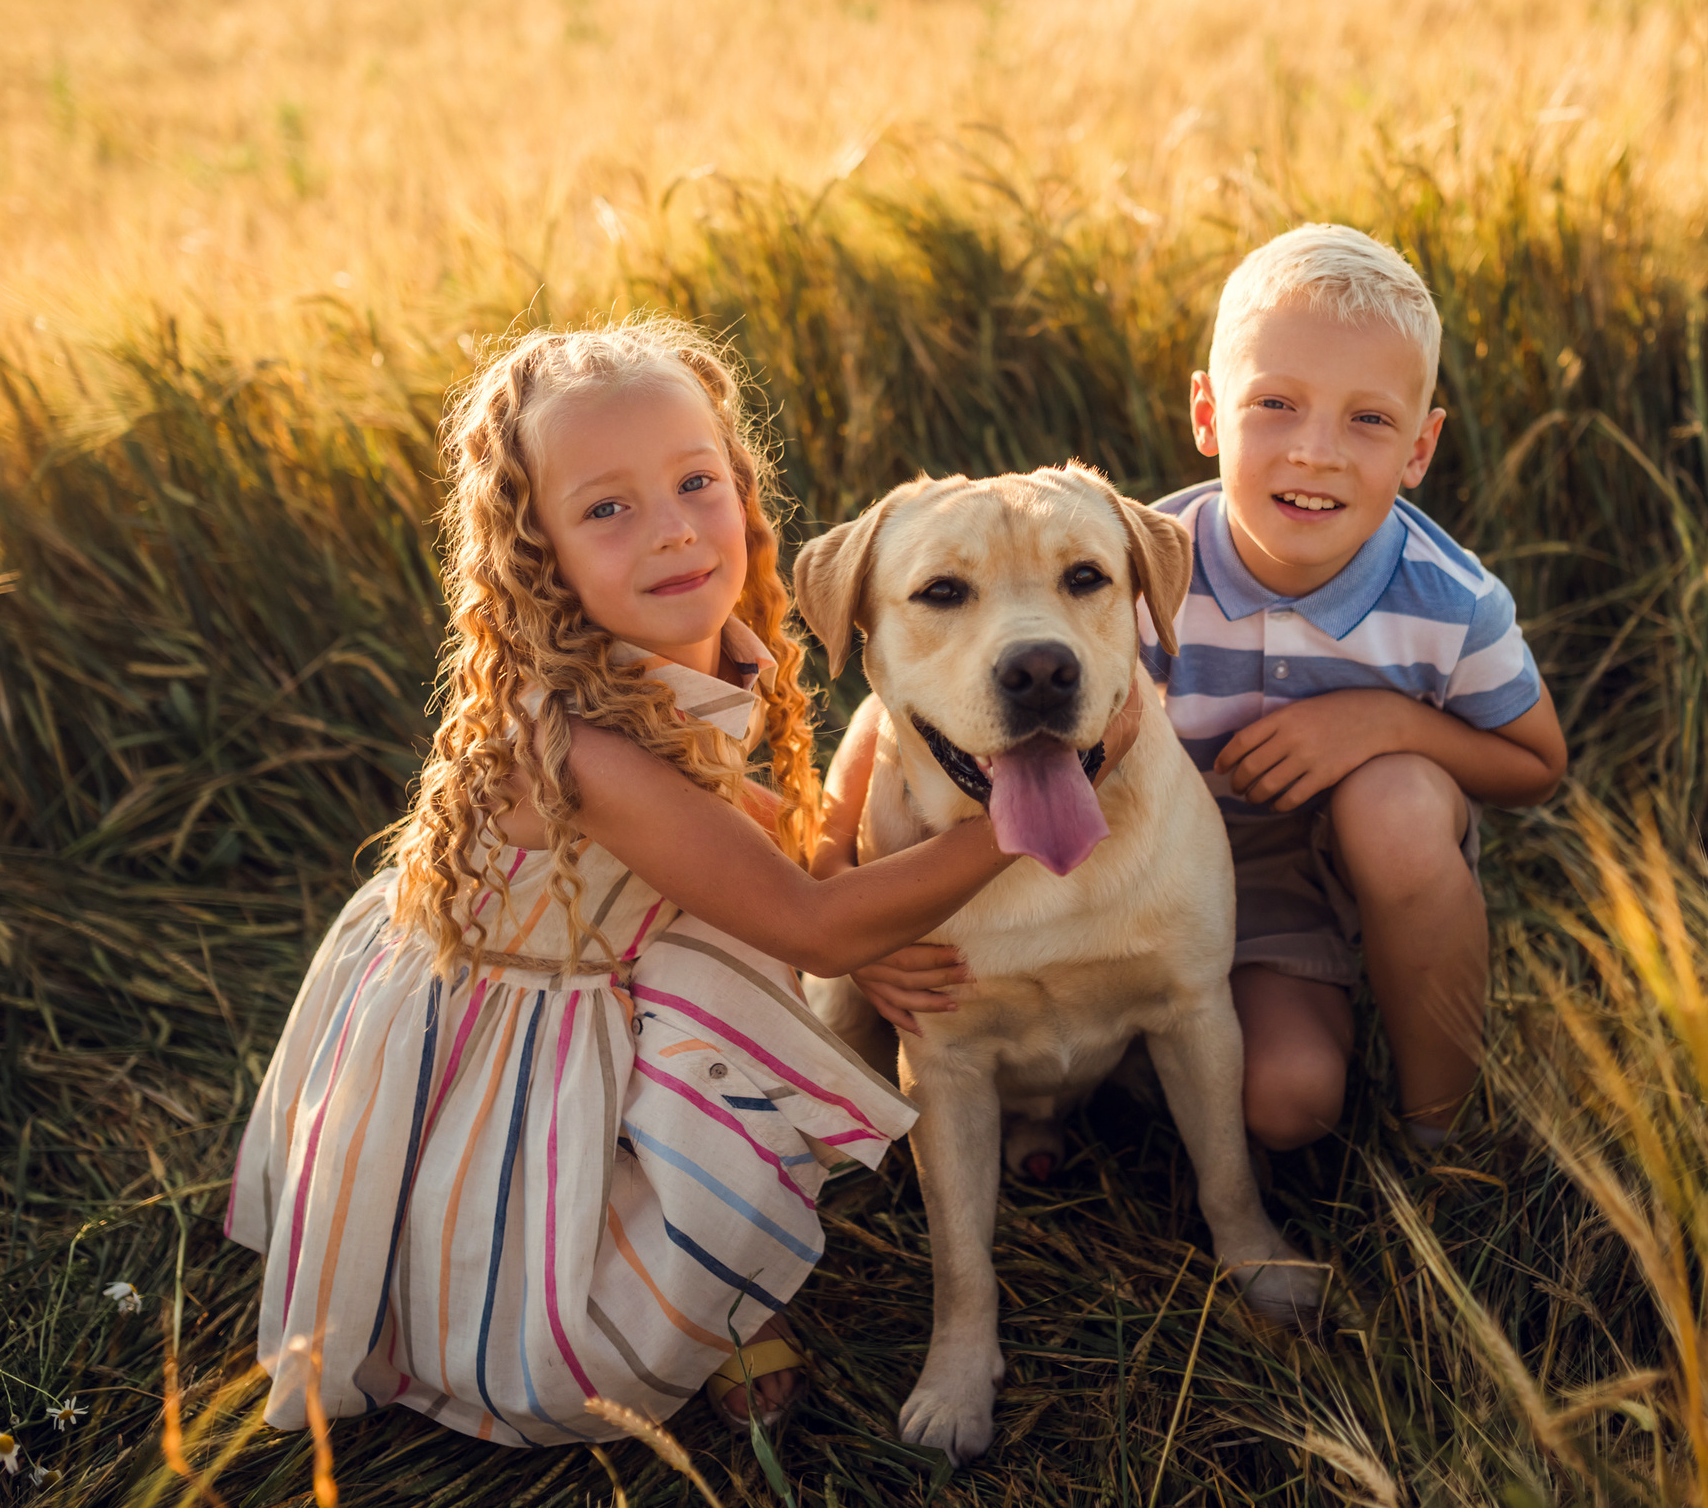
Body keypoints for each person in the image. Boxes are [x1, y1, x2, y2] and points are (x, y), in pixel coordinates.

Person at [226, 321, 1122, 1446]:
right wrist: (1039, 788)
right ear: (536, 550)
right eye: (607, 507)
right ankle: (602, 1297)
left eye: (696, 481)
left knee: (756, 993)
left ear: (740, 489)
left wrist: (857, 834)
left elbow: (759, 836)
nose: (672, 530)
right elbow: (808, 919)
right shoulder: (580, 745)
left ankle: (697, 1263)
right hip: (513, 1021)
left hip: (599, 959)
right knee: (598, 1199)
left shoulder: (669, 658)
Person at [1137, 225, 1566, 1156]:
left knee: (1291, 1104)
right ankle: (1101, 1063)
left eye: (1369, 420)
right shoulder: (1138, 573)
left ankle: (1441, 1140)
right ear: (1209, 415)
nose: (1317, 452)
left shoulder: (1449, 604)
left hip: (1291, 889)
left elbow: (1537, 765)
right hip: (1149, 883)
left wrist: (1385, 721)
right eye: (1277, 404)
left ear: (1420, 446)